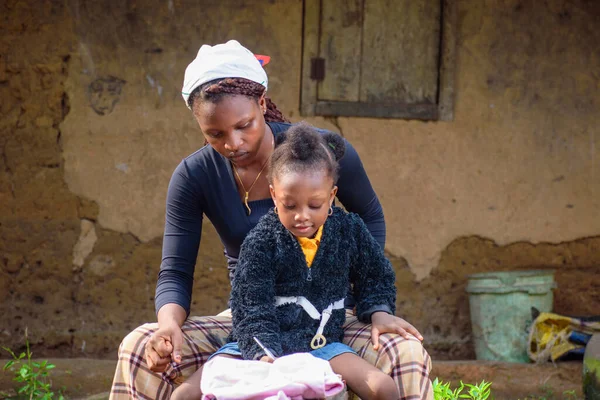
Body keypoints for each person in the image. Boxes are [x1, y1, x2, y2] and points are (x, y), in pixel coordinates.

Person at [109, 40, 433, 400]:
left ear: (262, 103)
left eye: (244, 125)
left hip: (331, 314)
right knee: (139, 347)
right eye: (215, 134)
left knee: (403, 354)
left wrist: (368, 304)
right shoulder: (194, 176)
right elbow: (175, 271)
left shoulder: (320, 155)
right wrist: (168, 326)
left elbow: (368, 219)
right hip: (250, 315)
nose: (233, 143)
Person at [172, 123, 405, 400]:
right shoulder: (261, 241)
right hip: (259, 346)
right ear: (274, 195)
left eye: (314, 205)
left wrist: (379, 311)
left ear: (332, 196)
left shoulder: (349, 230)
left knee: (383, 388)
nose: (302, 216)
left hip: (321, 344)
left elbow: (376, 275)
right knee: (184, 395)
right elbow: (250, 307)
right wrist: (264, 357)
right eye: (290, 205)